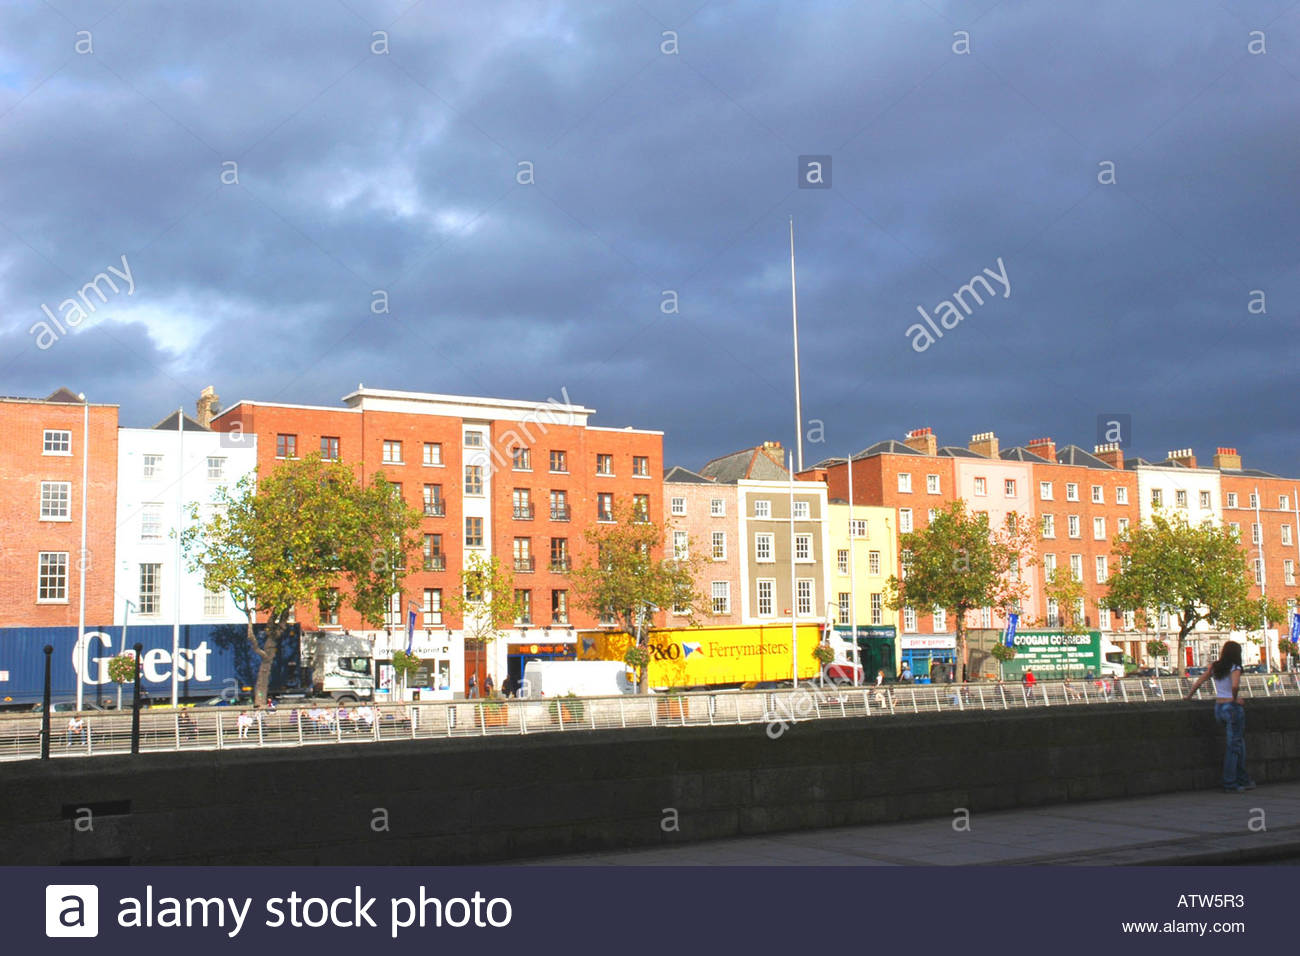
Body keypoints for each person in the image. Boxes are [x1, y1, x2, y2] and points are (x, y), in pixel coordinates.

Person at [1186, 640, 1256, 793]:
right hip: (1231, 708)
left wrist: (1189, 696)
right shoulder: (1235, 667)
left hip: (1218, 708)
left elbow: (1199, 681)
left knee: (1238, 744)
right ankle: (1230, 783)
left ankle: (1243, 779)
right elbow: (1235, 685)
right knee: (1233, 747)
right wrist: (1234, 698)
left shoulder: (1216, 666)